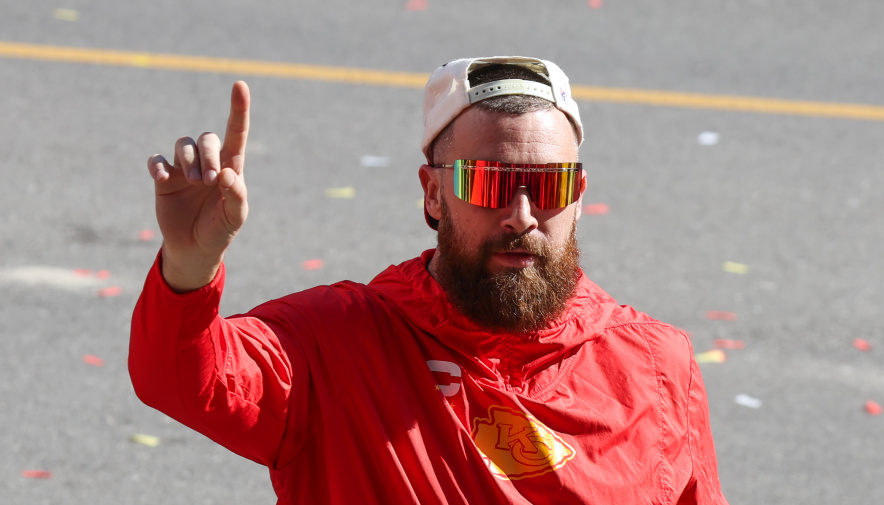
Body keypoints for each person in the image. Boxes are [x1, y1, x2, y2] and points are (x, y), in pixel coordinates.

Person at [130, 56, 729, 504]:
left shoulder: (655, 366)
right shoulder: (335, 345)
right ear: (434, 193)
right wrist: (189, 265)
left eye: (548, 187)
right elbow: (180, 376)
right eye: (489, 182)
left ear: (578, 197)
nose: (521, 215)